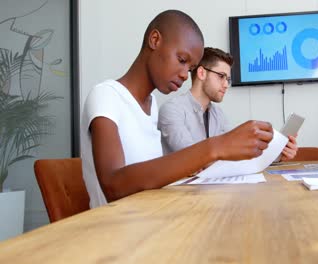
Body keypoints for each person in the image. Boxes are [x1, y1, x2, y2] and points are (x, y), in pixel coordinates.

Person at [81, 10, 274, 208]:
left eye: (190, 69)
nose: (184, 75)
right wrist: (216, 147)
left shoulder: (151, 106)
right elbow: (114, 186)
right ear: (155, 40)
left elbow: (150, 177)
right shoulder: (106, 95)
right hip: (117, 232)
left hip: (152, 218)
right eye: (182, 60)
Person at [158, 47, 298, 161]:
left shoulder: (218, 114)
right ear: (201, 73)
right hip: (181, 192)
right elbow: (192, 158)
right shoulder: (172, 110)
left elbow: (236, 155)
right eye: (221, 76)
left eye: (228, 79)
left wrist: (278, 154)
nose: (226, 85)